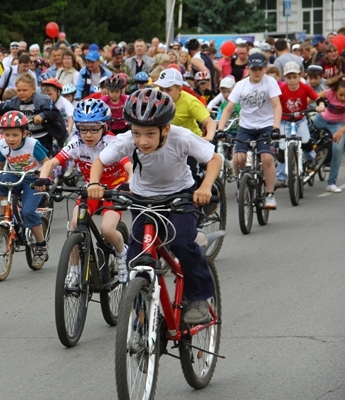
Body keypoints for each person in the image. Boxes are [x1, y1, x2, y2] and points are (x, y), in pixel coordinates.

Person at [87, 89, 220, 324]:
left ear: (165, 129)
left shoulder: (181, 137)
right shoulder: (127, 140)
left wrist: (206, 187)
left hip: (179, 196)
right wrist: (95, 183)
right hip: (142, 199)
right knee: (136, 258)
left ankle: (198, 297)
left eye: (150, 134)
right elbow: (99, 161)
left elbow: (214, 159)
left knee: (182, 243)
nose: (142, 141)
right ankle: (139, 317)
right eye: (137, 133)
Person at [35, 99, 132, 283]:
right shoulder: (76, 143)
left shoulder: (113, 143)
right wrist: (43, 178)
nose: (88, 134)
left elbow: (130, 169)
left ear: (104, 126)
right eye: (83, 128)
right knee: (74, 226)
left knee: (107, 230)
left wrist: (130, 184)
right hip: (91, 189)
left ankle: (121, 254)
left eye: (94, 129)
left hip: (114, 189)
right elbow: (51, 163)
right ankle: (74, 270)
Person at [0, 111, 50, 268]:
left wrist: (42, 176)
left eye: (14, 135)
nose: (10, 139)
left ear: (24, 133)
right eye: (6, 134)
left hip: (33, 179)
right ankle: (6, 214)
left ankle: (41, 245)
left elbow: (47, 162)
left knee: (28, 212)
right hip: (14, 176)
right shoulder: (2, 145)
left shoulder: (33, 145)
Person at [217, 53, 282, 209]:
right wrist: (220, 129)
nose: (257, 72)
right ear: (248, 69)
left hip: (265, 126)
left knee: (266, 158)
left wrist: (276, 127)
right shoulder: (241, 85)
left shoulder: (270, 82)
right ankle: (243, 183)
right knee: (239, 158)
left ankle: (270, 195)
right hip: (246, 126)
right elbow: (228, 109)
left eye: (260, 68)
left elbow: (276, 106)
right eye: (254, 69)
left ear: (265, 68)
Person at [0, 73, 67, 155]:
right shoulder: (14, 102)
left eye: (24, 90)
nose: (21, 93)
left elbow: (54, 112)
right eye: (19, 90)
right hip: (24, 138)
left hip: (42, 138)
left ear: (33, 89)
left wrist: (43, 116)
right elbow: (1, 107)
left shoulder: (43, 100)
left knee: (43, 162)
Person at [154, 68, 216, 141]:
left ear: (179, 89)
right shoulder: (155, 94)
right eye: (161, 89)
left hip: (190, 142)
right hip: (167, 140)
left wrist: (208, 137)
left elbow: (210, 122)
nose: (163, 93)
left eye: (168, 90)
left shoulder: (190, 102)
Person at [312, 78, 345, 193]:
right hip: (323, 118)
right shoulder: (329, 92)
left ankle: (331, 183)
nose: (343, 98)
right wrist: (319, 104)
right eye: (340, 95)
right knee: (305, 126)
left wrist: (341, 131)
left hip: (340, 124)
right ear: (335, 90)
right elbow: (313, 96)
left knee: (338, 149)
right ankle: (309, 155)